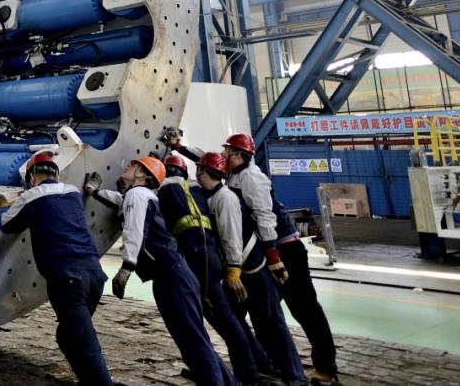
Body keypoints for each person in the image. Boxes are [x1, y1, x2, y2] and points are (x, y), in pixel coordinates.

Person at [172, 131, 338, 385]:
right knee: (262, 315)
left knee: (303, 308)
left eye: (227, 150)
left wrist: (272, 256)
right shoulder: (232, 174)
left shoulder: (252, 178)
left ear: (238, 155)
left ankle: (323, 367)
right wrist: (179, 147)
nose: (223, 154)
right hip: (262, 251)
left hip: (283, 249)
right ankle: (269, 363)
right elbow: (207, 160)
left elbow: (265, 217)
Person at [93, 156, 236, 386]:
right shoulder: (140, 196)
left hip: (172, 277)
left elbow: (134, 231)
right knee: (193, 339)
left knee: (193, 340)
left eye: (133, 165)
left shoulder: (138, 195)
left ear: (143, 175)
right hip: (172, 275)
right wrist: (95, 192)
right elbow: (120, 202)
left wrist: (126, 268)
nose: (128, 166)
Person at [0, 151, 114, 386]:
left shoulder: (31, 196)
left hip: (68, 280)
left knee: (84, 343)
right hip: (94, 275)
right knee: (67, 337)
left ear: (31, 177)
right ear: (56, 175)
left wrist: (0, 207)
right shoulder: (72, 192)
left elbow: (6, 225)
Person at [195, 151, 306, 385]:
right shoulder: (219, 191)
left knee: (271, 320)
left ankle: (294, 374)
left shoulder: (228, 196)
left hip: (251, 265)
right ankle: (262, 362)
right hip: (240, 266)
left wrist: (235, 268)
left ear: (202, 172)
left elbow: (232, 235)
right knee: (235, 318)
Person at [158, 155, 263, 386]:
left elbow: (231, 236)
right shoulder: (198, 191)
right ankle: (213, 368)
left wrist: (233, 269)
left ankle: (248, 375)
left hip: (203, 262)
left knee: (225, 320)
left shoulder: (222, 198)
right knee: (216, 319)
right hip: (207, 260)